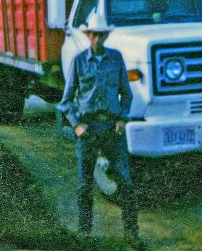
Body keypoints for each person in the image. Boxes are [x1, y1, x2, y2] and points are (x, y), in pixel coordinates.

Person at [59, 13, 146, 250]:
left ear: (106, 36)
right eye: (93, 34)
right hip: (88, 130)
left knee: (126, 183)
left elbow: (126, 94)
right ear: (88, 36)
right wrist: (77, 125)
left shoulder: (116, 59)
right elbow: (66, 102)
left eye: (101, 34)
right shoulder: (78, 61)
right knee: (84, 185)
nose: (97, 38)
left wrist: (122, 118)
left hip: (111, 129)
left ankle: (132, 234)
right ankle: (85, 234)